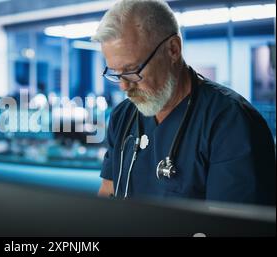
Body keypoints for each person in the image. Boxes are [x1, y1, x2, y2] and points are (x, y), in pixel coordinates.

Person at [92, 0, 275, 205]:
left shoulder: (230, 122)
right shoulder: (122, 116)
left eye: (133, 70)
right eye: (116, 73)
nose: (124, 87)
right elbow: (107, 192)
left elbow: (233, 225)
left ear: (173, 49)